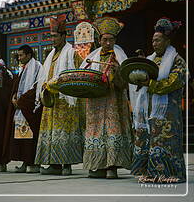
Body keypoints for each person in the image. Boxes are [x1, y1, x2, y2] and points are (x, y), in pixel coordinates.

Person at [131, 18, 186, 183]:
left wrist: (150, 83)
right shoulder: (151, 59)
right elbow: (144, 80)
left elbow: (173, 82)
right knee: (151, 142)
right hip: (150, 110)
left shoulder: (177, 60)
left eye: (158, 40)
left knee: (166, 141)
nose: (154, 43)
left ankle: (172, 173)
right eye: (153, 40)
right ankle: (152, 173)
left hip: (168, 111)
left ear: (167, 41)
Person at [80, 17, 133, 179]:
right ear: (99, 40)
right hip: (95, 102)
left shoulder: (120, 57)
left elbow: (125, 82)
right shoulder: (92, 57)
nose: (107, 42)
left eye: (111, 40)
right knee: (96, 132)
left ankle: (112, 167)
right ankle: (98, 165)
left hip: (113, 102)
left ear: (115, 40)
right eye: (104, 39)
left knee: (112, 131)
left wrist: (117, 72)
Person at [34, 14, 85, 175]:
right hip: (51, 100)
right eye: (51, 36)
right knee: (52, 133)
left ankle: (67, 164)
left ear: (64, 36)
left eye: (55, 36)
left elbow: (77, 74)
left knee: (65, 133)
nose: (52, 39)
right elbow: (44, 76)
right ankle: (54, 164)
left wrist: (61, 85)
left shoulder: (72, 53)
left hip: (65, 101)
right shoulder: (50, 55)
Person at [2, 45, 43, 173]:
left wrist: (22, 101)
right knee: (22, 138)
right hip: (21, 109)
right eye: (18, 55)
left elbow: (37, 87)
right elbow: (18, 85)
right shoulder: (23, 69)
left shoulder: (37, 67)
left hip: (30, 108)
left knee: (31, 138)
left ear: (29, 55)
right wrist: (14, 97)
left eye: (21, 55)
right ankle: (25, 163)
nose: (19, 58)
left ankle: (34, 164)